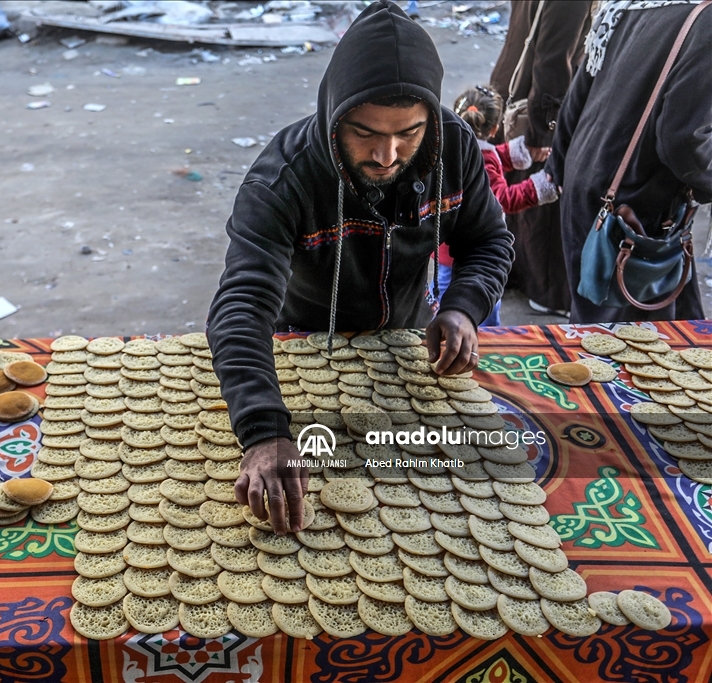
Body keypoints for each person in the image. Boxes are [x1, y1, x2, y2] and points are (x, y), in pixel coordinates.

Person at [206, 1, 514, 534]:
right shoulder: (284, 179)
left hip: (406, 351)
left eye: (409, 133)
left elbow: (489, 241)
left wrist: (464, 309)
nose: (387, 155)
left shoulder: (454, 147)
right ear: (333, 114)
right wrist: (263, 431)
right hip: (299, 346)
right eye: (365, 133)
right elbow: (241, 305)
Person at [546, 0, 711, 323]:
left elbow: (575, 99)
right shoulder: (705, 19)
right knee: (629, 345)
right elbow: (683, 141)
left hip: (589, 182)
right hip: (634, 207)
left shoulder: (628, 4)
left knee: (605, 326)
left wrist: (563, 172)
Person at [489, 0, 594, 317]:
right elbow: (552, 60)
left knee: (516, 189)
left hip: (514, 87)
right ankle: (544, 291)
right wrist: (544, 130)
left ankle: (515, 272)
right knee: (542, 202)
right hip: (537, 99)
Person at [436, 85, 562, 326]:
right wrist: (538, 188)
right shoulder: (483, 161)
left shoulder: (452, 151)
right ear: (494, 129)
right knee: (480, 310)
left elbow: (495, 155)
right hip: (473, 256)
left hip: (442, 252)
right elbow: (502, 199)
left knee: (443, 303)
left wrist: (520, 153)